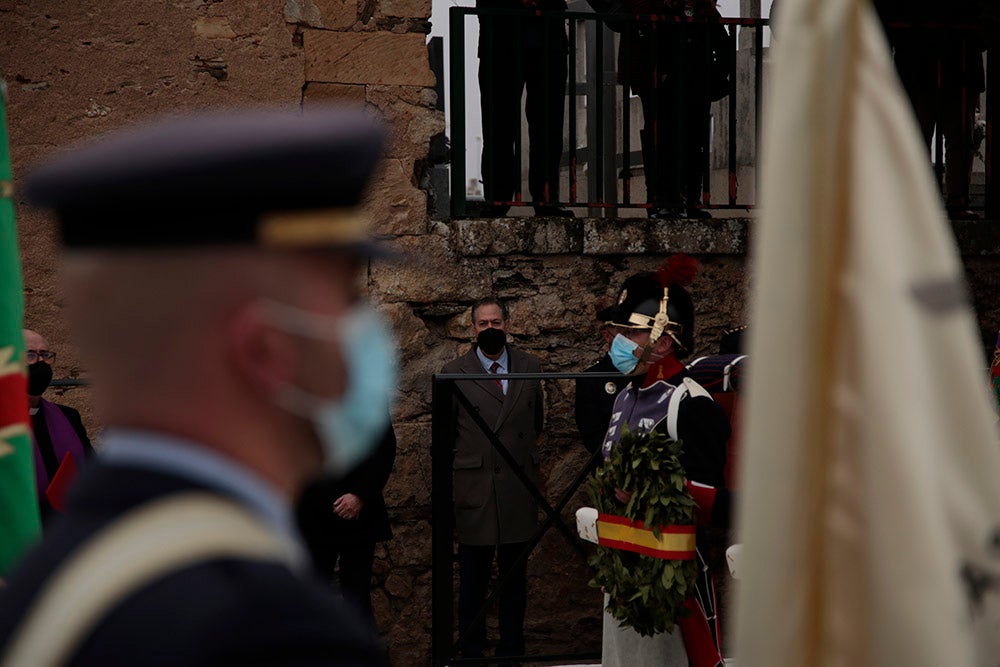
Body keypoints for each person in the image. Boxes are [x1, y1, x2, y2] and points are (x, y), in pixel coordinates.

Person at [0, 108, 394, 666]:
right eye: (343, 303)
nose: (367, 338)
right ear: (263, 347)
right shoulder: (281, 633)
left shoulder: (45, 580)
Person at [596, 256, 731, 667]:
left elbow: (719, 502)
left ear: (664, 340)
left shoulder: (690, 403)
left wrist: (654, 491)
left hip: (673, 579)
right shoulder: (624, 396)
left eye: (630, 331)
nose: (617, 340)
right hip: (623, 570)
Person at [441, 298, 544, 662]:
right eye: (482, 324)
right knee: (474, 582)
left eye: (495, 322)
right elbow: (444, 439)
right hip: (477, 492)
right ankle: (470, 652)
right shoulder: (455, 372)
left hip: (517, 489)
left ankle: (511, 652)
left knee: (515, 582)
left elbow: (536, 423)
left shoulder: (530, 366)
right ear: (472, 329)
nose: (489, 329)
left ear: (507, 324)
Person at [608, 0, 734, 219]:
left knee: (693, 143)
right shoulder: (657, 10)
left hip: (693, 86)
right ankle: (664, 200)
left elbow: (723, 47)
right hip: (664, 88)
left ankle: (689, 200)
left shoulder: (703, 11)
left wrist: (715, 76)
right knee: (664, 142)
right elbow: (647, 47)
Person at [875, 0, 987, 219]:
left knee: (956, 137)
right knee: (923, 138)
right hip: (925, 61)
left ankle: (949, 203)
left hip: (946, 60)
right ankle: (932, 204)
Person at [477, 0, 573, 218]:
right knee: (498, 125)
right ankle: (498, 198)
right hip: (501, 35)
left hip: (546, 37)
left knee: (548, 126)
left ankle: (545, 198)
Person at [296, 421, 397, 621]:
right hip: (314, 514)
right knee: (313, 595)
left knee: (357, 595)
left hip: (360, 517)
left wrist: (360, 495)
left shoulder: (365, 394)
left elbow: (384, 447)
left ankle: (360, 652)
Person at [23, 328, 94, 523]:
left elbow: (90, 468)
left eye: (45, 355)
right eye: (30, 355)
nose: (41, 362)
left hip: (69, 525)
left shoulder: (68, 416)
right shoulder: (7, 425)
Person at [575, 314, 638, 456]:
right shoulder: (592, 378)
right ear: (607, 336)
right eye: (625, 335)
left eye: (634, 334)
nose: (632, 340)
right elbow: (591, 433)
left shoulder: (648, 372)